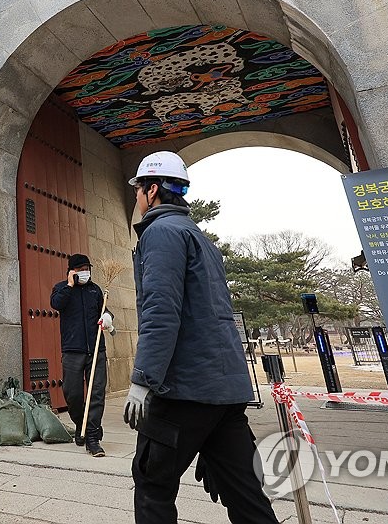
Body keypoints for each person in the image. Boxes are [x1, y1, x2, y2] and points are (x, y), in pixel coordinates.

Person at [123, 151, 278, 524]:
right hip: (223, 392)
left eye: (138, 190)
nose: (137, 198)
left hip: (183, 391)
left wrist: (143, 380)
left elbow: (161, 312)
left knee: (153, 484)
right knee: (244, 492)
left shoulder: (160, 233)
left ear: (152, 189)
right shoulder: (199, 237)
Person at [50, 253, 113, 457]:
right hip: (72, 350)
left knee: (96, 393)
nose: (85, 272)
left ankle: (93, 437)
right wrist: (69, 285)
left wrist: (107, 318)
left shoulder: (95, 291)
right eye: (81, 269)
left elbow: (106, 312)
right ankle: (81, 425)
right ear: (72, 271)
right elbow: (56, 304)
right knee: (72, 393)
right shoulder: (61, 288)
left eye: (87, 268)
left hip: (95, 349)